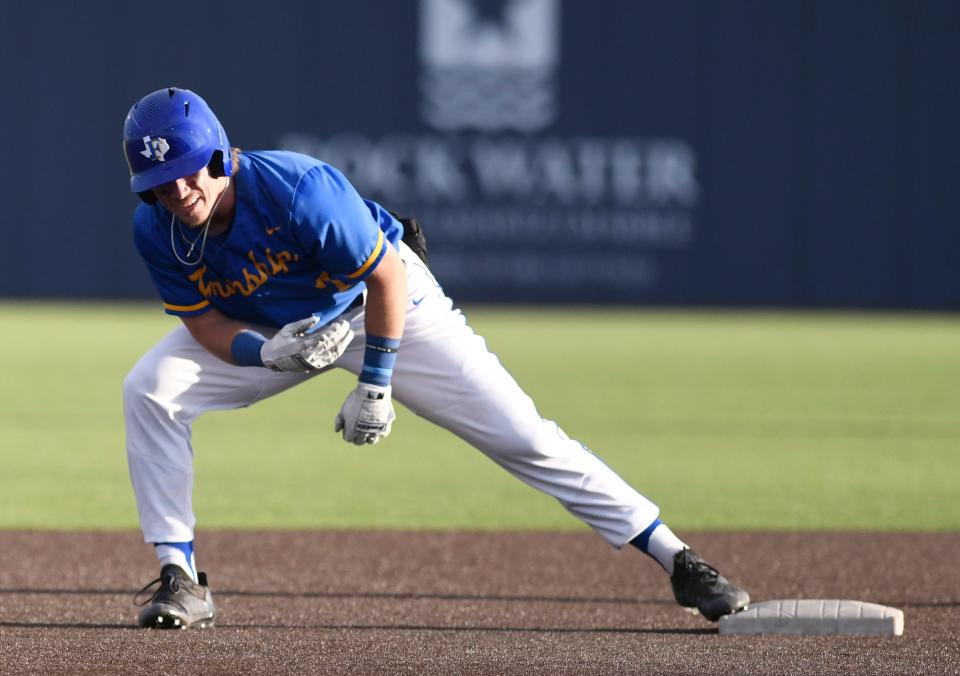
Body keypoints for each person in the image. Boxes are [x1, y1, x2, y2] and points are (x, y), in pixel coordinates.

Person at [123, 87, 749, 630]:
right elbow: (204, 323)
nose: (178, 190)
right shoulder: (157, 228)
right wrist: (263, 351)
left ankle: (678, 559)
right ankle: (179, 575)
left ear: (220, 155)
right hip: (273, 330)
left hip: (383, 305)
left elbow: (387, 278)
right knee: (149, 388)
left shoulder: (296, 189)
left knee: (522, 435)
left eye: (189, 170)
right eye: (158, 183)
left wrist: (376, 385)